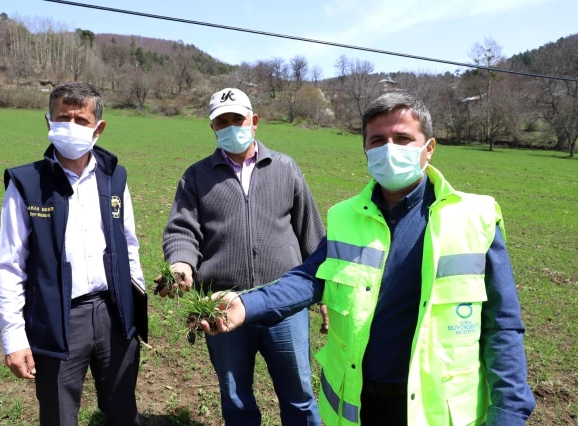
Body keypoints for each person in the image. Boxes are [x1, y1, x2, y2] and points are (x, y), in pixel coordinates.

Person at [204, 92, 536, 426]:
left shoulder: (474, 217)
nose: (389, 148)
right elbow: (308, 278)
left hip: (438, 412)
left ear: (429, 147)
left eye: (403, 138)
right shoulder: (345, 217)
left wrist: (508, 412)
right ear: (365, 149)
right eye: (378, 140)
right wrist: (245, 305)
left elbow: (503, 324)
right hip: (360, 404)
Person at [161, 88, 325, 425]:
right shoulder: (197, 176)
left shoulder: (284, 167)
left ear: (254, 121)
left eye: (238, 119)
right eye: (222, 121)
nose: (231, 126)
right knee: (236, 398)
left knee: (299, 396)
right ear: (213, 128)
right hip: (221, 303)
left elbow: (312, 232)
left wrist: (326, 288)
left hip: (284, 301)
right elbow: (182, 229)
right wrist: (180, 262)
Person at [0, 82, 145, 425]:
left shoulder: (115, 177)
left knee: (123, 410)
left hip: (113, 315)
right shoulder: (26, 184)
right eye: (64, 118)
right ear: (49, 122)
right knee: (59, 415)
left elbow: (128, 244)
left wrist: (136, 309)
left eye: (81, 119)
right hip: (57, 319)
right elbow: (9, 266)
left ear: (98, 128)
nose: (71, 127)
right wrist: (13, 337)